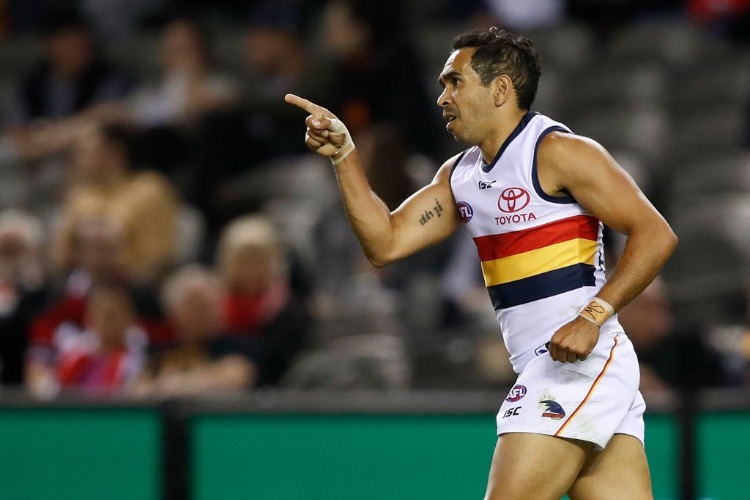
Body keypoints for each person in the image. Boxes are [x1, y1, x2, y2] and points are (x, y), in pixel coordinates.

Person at [286, 27, 677, 499]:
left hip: (578, 365)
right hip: (556, 364)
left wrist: (593, 316)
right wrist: (345, 156)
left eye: (455, 82)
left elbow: (655, 233)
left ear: (501, 90)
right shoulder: (461, 175)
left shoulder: (559, 152)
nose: (441, 98)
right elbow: (385, 243)